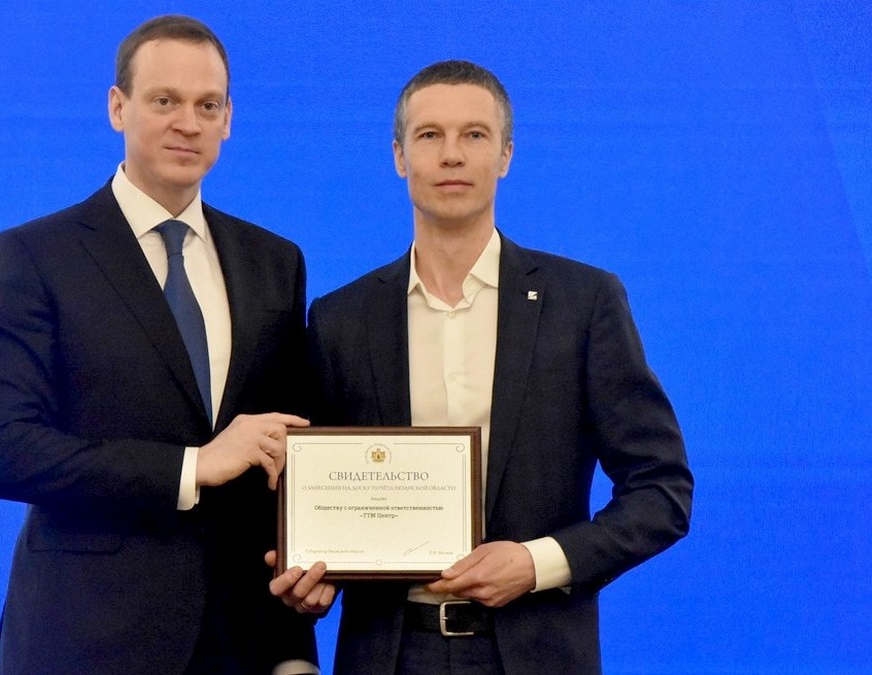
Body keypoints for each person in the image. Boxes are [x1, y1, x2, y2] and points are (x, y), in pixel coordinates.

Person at [269, 60, 693, 674]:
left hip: (537, 653)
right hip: (388, 656)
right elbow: (308, 493)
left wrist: (538, 562)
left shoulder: (584, 303)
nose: (452, 154)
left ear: (506, 156)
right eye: (429, 135)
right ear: (399, 156)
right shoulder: (340, 319)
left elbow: (662, 490)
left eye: (474, 134)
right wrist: (308, 573)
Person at [0, 15, 317, 674]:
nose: (188, 123)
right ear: (117, 107)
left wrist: (296, 642)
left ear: (228, 119)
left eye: (207, 105)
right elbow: (0, 451)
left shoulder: (275, 262)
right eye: (165, 100)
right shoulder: (34, 256)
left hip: (239, 640)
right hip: (83, 638)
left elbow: (285, 454)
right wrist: (191, 466)